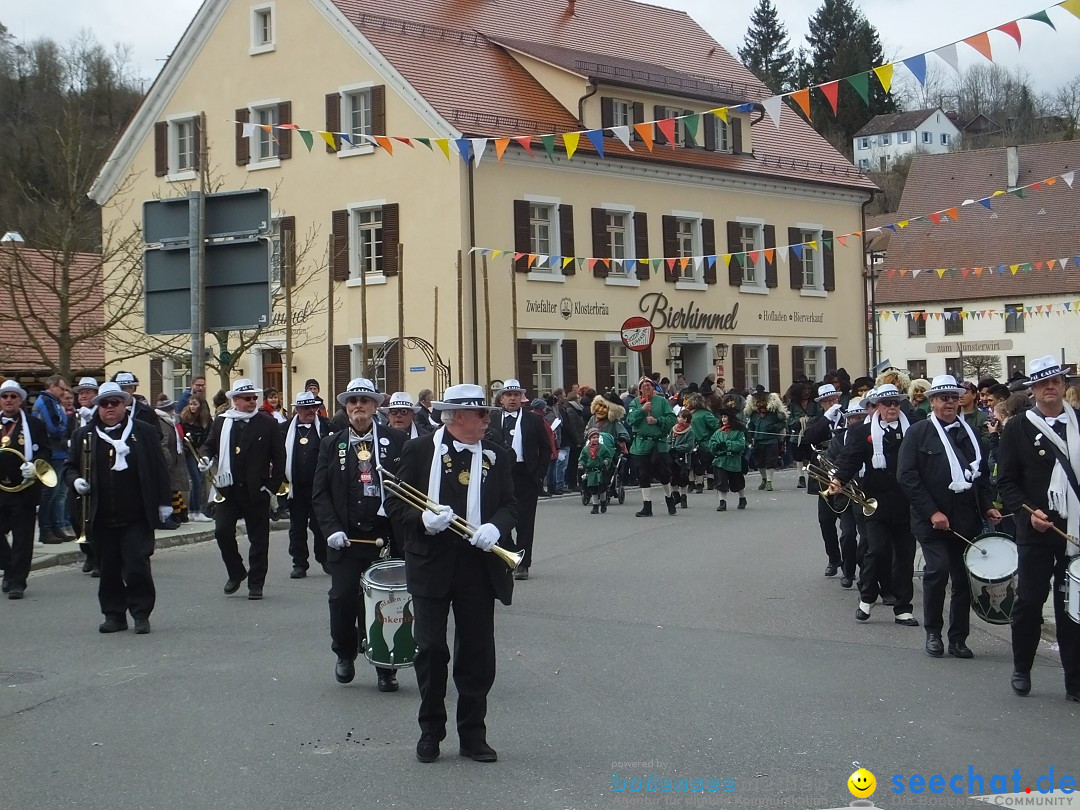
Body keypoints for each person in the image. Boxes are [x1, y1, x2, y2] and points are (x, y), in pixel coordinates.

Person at [382, 383, 516, 763]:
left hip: (478, 565)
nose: (488, 420)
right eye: (482, 414)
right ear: (457, 417)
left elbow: (511, 503)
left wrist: (496, 527)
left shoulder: (497, 454)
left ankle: (473, 734)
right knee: (431, 650)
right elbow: (395, 502)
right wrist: (422, 519)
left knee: (476, 653)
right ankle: (431, 730)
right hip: (431, 563)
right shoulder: (420, 450)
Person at [312, 378, 408, 692]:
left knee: (384, 603)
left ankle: (385, 664)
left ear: (375, 406)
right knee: (341, 598)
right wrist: (331, 530)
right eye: (353, 401)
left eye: (364, 401)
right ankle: (344, 652)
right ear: (345, 406)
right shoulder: (331, 443)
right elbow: (320, 493)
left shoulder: (395, 440)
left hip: (383, 539)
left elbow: (407, 489)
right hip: (345, 538)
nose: (358, 407)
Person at [898, 375, 1001, 659]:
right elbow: (907, 478)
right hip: (931, 520)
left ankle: (958, 638)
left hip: (966, 519)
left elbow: (978, 477)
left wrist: (988, 505)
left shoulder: (968, 433)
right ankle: (933, 632)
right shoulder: (919, 433)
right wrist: (933, 511)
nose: (950, 403)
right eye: (944, 398)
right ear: (932, 401)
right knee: (937, 570)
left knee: (963, 579)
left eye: (954, 398)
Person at [996, 355, 1080, 701]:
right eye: (1043, 383)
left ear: (1063, 386)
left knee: (1073, 605)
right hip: (1036, 528)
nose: (1050, 388)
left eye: (1056, 382)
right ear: (1032, 390)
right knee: (1030, 602)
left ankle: (1074, 680)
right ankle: (1022, 667)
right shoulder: (1017, 427)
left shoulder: (1079, 422)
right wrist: (1027, 512)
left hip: (1075, 529)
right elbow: (1006, 482)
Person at [64, 382, 171, 632]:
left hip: (136, 515)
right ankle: (114, 615)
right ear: (98, 407)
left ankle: (141, 613)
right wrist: (75, 480)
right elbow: (69, 466)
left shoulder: (143, 431)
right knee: (108, 570)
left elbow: (159, 468)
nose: (109, 408)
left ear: (124, 405)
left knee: (137, 566)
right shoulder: (84, 435)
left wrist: (165, 503)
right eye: (104, 403)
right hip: (100, 515)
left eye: (115, 402)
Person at [830, 384, 919, 628]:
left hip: (905, 502)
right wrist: (838, 479)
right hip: (875, 501)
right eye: (887, 403)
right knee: (876, 550)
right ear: (876, 406)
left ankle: (903, 608)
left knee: (904, 556)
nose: (892, 407)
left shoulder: (913, 429)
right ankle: (867, 597)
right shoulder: (862, 432)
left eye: (896, 403)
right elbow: (851, 459)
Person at [200, 379, 286, 600]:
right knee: (222, 532)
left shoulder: (267, 423)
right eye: (247, 398)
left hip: (257, 489)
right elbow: (209, 444)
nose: (252, 402)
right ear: (234, 400)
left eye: (254, 398)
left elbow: (279, 457)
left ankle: (256, 583)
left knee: (259, 539)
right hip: (227, 488)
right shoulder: (221, 422)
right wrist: (206, 458)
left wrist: (272, 488)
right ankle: (236, 571)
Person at [487, 379, 549, 580]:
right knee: (500, 519)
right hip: (500, 476)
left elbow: (546, 447)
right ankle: (509, 554)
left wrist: (539, 473)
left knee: (525, 521)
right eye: (508, 395)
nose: (512, 399)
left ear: (521, 398)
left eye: (516, 395)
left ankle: (523, 564)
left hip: (526, 475)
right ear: (501, 399)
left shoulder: (534, 420)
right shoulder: (493, 419)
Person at [0, 380, 51, 599]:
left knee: (23, 538)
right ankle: (9, 567)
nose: (9, 400)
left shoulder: (34, 424)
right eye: (5, 396)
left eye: (13, 396)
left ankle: (17, 582)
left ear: (20, 399)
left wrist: (35, 466)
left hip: (24, 489)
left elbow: (46, 454)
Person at [281, 391, 330, 578]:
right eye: (306, 407)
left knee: (320, 526)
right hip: (295, 488)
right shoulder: (284, 429)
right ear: (297, 409)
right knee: (297, 527)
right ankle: (299, 563)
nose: (311, 411)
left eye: (314, 407)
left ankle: (324, 559)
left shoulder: (327, 427)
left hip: (320, 488)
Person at [31, 374, 74, 543]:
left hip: (58, 451)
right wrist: (65, 429)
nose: (63, 392)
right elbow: (54, 427)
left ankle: (56, 526)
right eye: (61, 388)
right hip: (51, 451)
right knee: (49, 493)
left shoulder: (54, 402)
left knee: (58, 494)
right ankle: (46, 529)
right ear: (52, 386)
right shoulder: (46, 401)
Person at [627, 377, 678, 517]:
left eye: (648, 385)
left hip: (658, 443)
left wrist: (657, 421)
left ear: (653, 387)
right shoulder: (635, 403)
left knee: (663, 474)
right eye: (643, 386)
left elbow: (672, 419)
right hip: (641, 444)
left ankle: (669, 498)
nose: (646, 388)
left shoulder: (661, 402)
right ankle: (647, 505)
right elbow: (630, 420)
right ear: (639, 390)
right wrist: (642, 410)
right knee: (643, 475)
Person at [744, 386, 787, 492]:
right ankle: (763, 479)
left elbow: (782, 423)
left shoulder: (774, 413)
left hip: (771, 440)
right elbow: (751, 427)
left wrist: (774, 428)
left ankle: (769, 481)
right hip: (758, 441)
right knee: (759, 462)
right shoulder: (754, 415)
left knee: (770, 461)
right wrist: (750, 437)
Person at [178, 393, 213, 522]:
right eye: (191, 404)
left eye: (195, 404)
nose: (192, 407)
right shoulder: (184, 418)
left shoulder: (206, 420)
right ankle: (195, 511)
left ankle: (194, 510)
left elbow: (209, 436)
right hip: (188, 452)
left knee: (200, 480)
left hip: (199, 451)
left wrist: (205, 452)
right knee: (196, 480)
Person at [153, 395, 185, 529]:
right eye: (172, 408)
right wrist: (168, 461)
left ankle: (175, 515)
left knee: (174, 489)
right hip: (168, 462)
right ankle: (167, 518)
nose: (174, 411)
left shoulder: (169, 421)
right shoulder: (162, 422)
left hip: (173, 459)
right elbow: (163, 443)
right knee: (168, 490)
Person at [708, 408, 747, 511]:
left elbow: (741, 445)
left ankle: (742, 498)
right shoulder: (718, 432)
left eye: (725, 417)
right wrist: (716, 446)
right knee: (721, 482)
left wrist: (728, 444)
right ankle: (722, 502)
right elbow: (711, 444)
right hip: (720, 461)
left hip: (734, 460)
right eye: (722, 417)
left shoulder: (738, 432)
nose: (723, 419)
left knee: (737, 483)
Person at [786, 381, 823, 489]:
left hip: (811, 435)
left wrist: (808, 421)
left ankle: (811, 476)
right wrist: (799, 421)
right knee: (798, 458)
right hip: (797, 437)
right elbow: (789, 421)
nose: (806, 392)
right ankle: (801, 477)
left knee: (811, 457)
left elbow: (819, 418)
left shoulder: (815, 404)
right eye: (803, 390)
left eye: (809, 390)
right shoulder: (792, 405)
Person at [685, 393, 718, 494]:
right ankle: (691, 483)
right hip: (689, 442)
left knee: (699, 463)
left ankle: (699, 483)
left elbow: (715, 425)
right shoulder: (687, 413)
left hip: (701, 442)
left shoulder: (705, 413)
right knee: (689, 464)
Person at [579, 427, 614, 514]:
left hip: (601, 471)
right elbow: (582, 458)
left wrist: (606, 461)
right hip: (591, 472)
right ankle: (595, 506)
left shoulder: (602, 448)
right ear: (589, 439)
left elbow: (608, 456)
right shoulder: (586, 449)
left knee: (602, 489)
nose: (595, 439)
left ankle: (603, 502)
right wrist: (581, 464)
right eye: (593, 438)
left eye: (597, 437)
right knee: (592, 489)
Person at [668, 410, 695, 509]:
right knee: (672, 477)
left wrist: (678, 448)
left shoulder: (690, 431)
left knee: (683, 477)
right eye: (678, 417)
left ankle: (684, 497)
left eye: (680, 417)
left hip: (684, 457)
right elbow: (669, 440)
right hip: (672, 456)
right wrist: (669, 448)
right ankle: (676, 496)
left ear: (685, 419)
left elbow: (690, 445)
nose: (678, 419)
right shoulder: (674, 429)